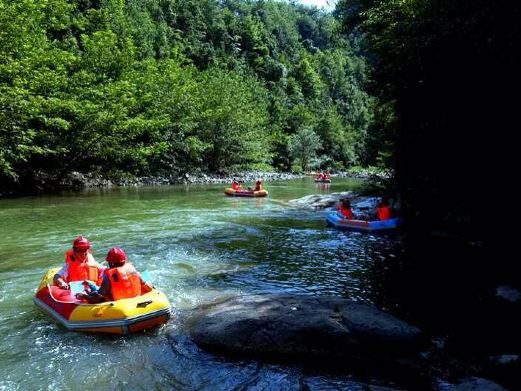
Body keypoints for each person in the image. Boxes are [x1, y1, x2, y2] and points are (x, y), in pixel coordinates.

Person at [77, 246, 152, 303]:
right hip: (136, 301)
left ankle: (90, 287)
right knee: (95, 289)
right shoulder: (132, 270)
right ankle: (91, 285)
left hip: (118, 306)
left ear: (111, 263)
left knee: (94, 292)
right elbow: (147, 287)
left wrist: (84, 296)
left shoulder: (109, 276)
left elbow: (96, 299)